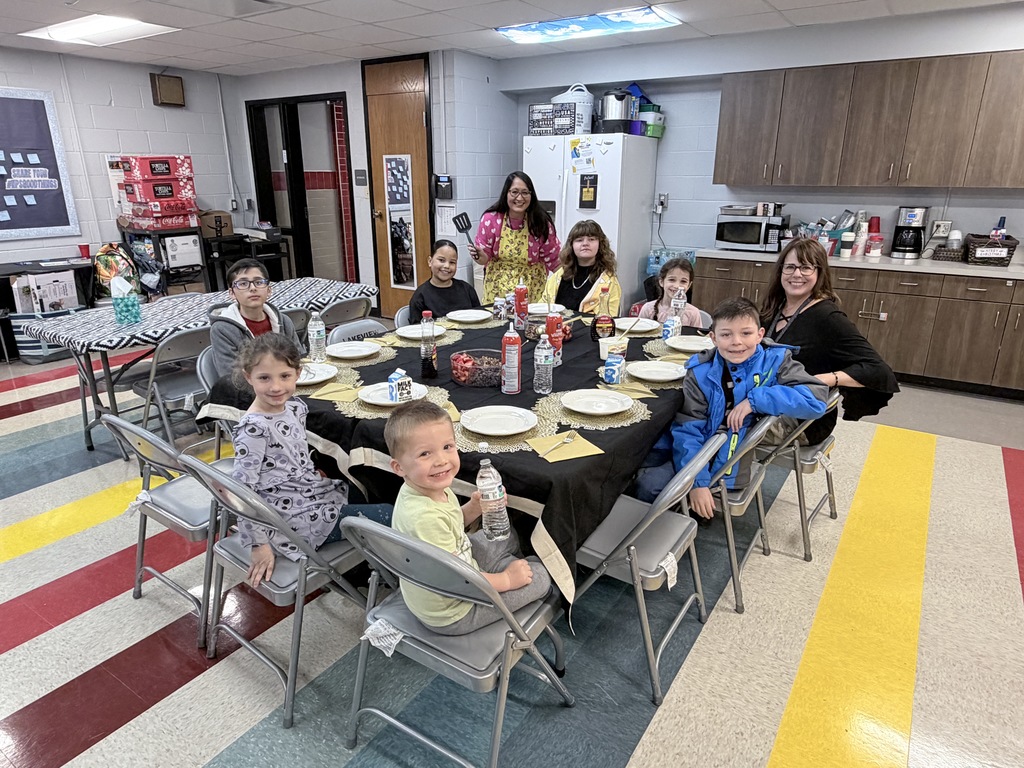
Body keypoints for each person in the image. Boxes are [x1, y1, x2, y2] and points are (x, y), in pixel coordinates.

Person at [635, 297, 828, 512]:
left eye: (746, 333)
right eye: (726, 335)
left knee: (649, 487)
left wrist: (755, 401)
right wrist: (697, 480)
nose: (736, 342)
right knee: (637, 460)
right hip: (698, 447)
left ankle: (682, 518)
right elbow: (689, 429)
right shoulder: (700, 372)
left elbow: (815, 400)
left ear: (760, 334)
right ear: (713, 338)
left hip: (727, 462)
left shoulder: (776, 360)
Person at [231, 333, 392, 588]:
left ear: (298, 373)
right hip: (293, 518)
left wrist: (307, 470)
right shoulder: (254, 429)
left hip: (311, 493)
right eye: (264, 378)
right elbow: (241, 492)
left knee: (367, 491)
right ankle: (385, 573)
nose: (276, 387)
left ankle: (359, 570)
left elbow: (287, 454)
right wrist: (258, 544)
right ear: (248, 376)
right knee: (392, 515)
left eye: (284, 376)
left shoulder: (294, 407)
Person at [385, 400, 552, 635]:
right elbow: (456, 579)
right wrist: (506, 580)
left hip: (453, 567)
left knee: (505, 534)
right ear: (399, 467)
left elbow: (452, 524)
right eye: (425, 453)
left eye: (447, 447)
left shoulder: (425, 488)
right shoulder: (423, 517)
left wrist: (475, 507)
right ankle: (509, 572)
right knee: (542, 578)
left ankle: (509, 568)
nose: (441, 460)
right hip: (456, 610)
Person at [760, 238, 899, 445]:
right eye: (790, 267)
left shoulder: (828, 317)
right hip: (768, 400)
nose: (796, 274)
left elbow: (879, 371)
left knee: (722, 426)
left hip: (801, 418)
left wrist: (825, 379)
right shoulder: (774, 308)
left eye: (806, 267)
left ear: (819, 272)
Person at [468, 171, 560, 304]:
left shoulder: (540, 222)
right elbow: (484, 259)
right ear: (506, 193)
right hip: (497, 292)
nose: (520, 198)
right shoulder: (490, 220)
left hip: (532, 291)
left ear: (531, 195)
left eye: (525, 192)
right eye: (514, 192)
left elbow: (554, 260)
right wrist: (479, 255)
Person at [209, 258, 304, 378]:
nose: (253, 288)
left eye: (259, 282)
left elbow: (299, 360)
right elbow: (231, 376)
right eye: (243, 284)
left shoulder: (284, 321)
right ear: (232, 293)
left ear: (269, 290)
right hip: (249, 388)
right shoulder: (222, 329)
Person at [543, 219, 622, 315]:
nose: (585, 243)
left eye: (591, 239)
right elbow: (542, 309)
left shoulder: (610, 282)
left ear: (600, 244)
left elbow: (609, 318)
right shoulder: (558, 277)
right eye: (579, 240)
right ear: (571, 245)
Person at [408, 239, 481, 323]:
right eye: (441, 260)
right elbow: (416, 327)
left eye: (452, 262)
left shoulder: (467, 289)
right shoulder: (420, 296)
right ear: (430, 261)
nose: (447, 266)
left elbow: (479, 317)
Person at [638, 258, 705, 327]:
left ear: (689, 285)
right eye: (672, 280)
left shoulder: (693, 313)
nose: (677, 286)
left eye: (683, 281)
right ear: (661, 282)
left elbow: (697, 334)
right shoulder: (648, 309)